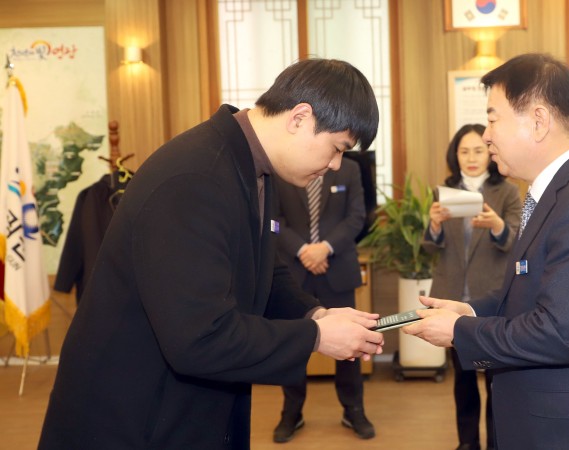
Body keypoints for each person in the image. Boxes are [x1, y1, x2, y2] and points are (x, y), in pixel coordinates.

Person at [38, 58, 385, 450]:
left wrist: (315, 314)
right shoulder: (195, 179)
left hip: (185, 407)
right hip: (132, 417)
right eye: (337, 148)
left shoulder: (254, 167)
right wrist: (316, 336)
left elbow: (264, 269)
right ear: (300, 118)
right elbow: (201, 337)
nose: (336, 165)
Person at [404, 53, 569, 450]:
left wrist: (459, 331)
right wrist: (470, 310)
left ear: (539, 121)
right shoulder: (557, 194)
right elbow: (530, 293)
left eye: (493, 119)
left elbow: (560, 333)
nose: (487, 136)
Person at [422, 124, 521, 450]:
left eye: (478, 150)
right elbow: (430, 246)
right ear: (456, 155)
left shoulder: (507, 191)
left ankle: (496, 443)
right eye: (464, 151)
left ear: (490, 153)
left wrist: (497, 226)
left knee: (496, 381)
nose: (471, 157)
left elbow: (517, 243)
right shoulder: (444, 192)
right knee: (462, 380)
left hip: (490, 299)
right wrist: (434, 225)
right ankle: (467, 443)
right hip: (451, 295)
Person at [271, 156, 374, 442]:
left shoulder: (349, 169)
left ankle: (353, 409)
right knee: (292, 345)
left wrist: (324, 248)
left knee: (351, 342)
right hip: (293, 271)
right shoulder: (284, 166)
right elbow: (273, 221)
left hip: (337, 267)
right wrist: (303, 250)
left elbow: (356, 217)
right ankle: (292, 412)